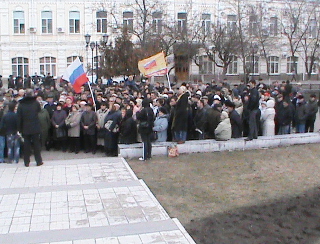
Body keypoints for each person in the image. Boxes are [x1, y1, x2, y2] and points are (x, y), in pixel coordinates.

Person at [17, 89, 43, 167]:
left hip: (25, 127)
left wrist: (19, 129)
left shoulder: (21, 104)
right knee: (36, 145)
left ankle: (26, 162)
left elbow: (19, 118)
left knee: (26, 145)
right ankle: (38, 161)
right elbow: (39, 111)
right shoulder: (36, 103)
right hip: (35, 126)